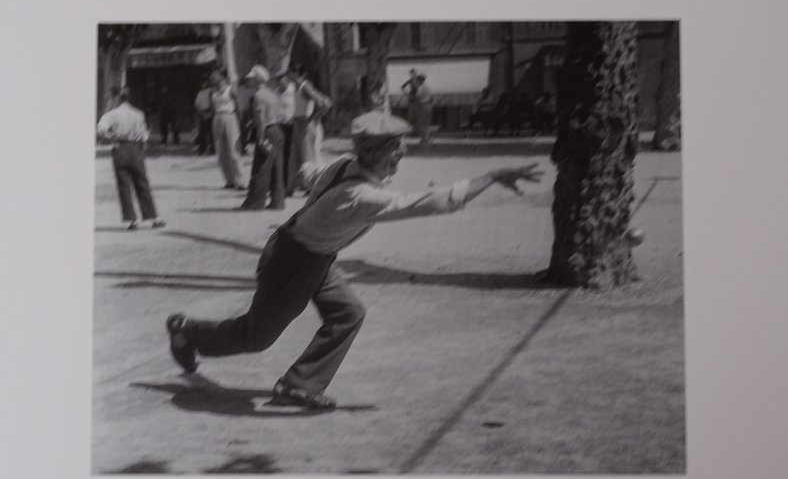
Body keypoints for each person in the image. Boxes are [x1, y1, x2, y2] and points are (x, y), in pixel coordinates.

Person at [165, 110, 542, 408]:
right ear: (373, 152)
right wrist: (492, 174)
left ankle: (299, 385)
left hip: (312, 255)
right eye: (396, 146)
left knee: (348, 313)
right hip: (292, 262)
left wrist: (308, 175)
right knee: (256, 337)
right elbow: (435, 203)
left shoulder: (346, 165)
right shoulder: (361, 195)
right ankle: (186, 329)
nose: (403, 153)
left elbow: (311, 174)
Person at [96, 87, 166, 230]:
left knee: (124, 185)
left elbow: (100, 130)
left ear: (115, 98)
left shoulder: (110, 115)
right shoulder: (138, 113)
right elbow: (144, 134)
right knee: (142, 182)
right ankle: (154, 217)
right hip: (136, 148)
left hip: (120, 148)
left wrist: (112, 137)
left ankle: (132, 220)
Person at [241, 65, 286, 210]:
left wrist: (259, 138)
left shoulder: (258, 96)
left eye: (251, 78)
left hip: (266, 131)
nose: (249, 81)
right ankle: (278, 201)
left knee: (261, 168)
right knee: (276, 168)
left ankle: (255, 203)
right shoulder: (272, 94)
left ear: (256, 79)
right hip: (277, 130)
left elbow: (260, 120)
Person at [287, 65, 332, 195]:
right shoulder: (297, 87)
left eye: (289, 73)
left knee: (308, 158)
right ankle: (291, 186)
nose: (288, 76)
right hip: (298, 123)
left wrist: (313, 118)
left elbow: (325, 103)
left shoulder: (305, 87)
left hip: (305, 124)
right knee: (294, 157)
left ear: (296, 73)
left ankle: (312, 187)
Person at [209, 70, 247, 190]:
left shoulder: (230, 90)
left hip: (230, 116)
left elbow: (239, 105)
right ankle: (229, 180)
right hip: (217, 117)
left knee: (233, 150)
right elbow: (212, 107)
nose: (213, 79)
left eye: (215, 77)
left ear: (222, 78)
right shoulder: (212, 92)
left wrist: (239, 120)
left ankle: (240, 181)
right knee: (221, 151)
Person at [276, 69, 298, 195]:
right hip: (281, 125)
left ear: (287, 82)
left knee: (293, 155)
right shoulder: (277, 92)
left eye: (282, 83)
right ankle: (284, 183)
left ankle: (294, 183)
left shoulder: (293, 90)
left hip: (293, 125)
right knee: (283, 155)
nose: (280, 86)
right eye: (279, 84)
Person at [402, 71, 434, 147]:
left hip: (423, 106)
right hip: (427, 106)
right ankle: (425, 140)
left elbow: (415, 97)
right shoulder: (426, 87)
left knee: (422, 125)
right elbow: (431, 98)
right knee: (425, 124)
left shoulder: (421, 88)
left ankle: (425, 142)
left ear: (420, 80)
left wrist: (406, 93)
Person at [193, 75, 215, 155]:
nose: (203, 84)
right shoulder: (200, 93)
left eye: (205, 82)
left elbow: (213, 102)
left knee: (212, 133)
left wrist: (210, 112)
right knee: (202, 132)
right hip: (202, 113)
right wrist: (201, 112)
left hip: (210, 112)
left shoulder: (211, 91)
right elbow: (196, 104)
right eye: (202, 83)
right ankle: (202, 148)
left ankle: (213, 149)